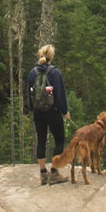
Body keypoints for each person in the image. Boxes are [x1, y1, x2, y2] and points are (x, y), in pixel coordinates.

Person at [28, 44, 71, 185]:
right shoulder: (54, 72)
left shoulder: (32, 72)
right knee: (59, 140)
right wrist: (64, 112)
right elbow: (59, 95)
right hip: (52, 112)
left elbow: (30, 94)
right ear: (51, 56)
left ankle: (43, 174)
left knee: (41, 140)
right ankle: (54, 172)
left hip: (38, 113)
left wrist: (31, 109)